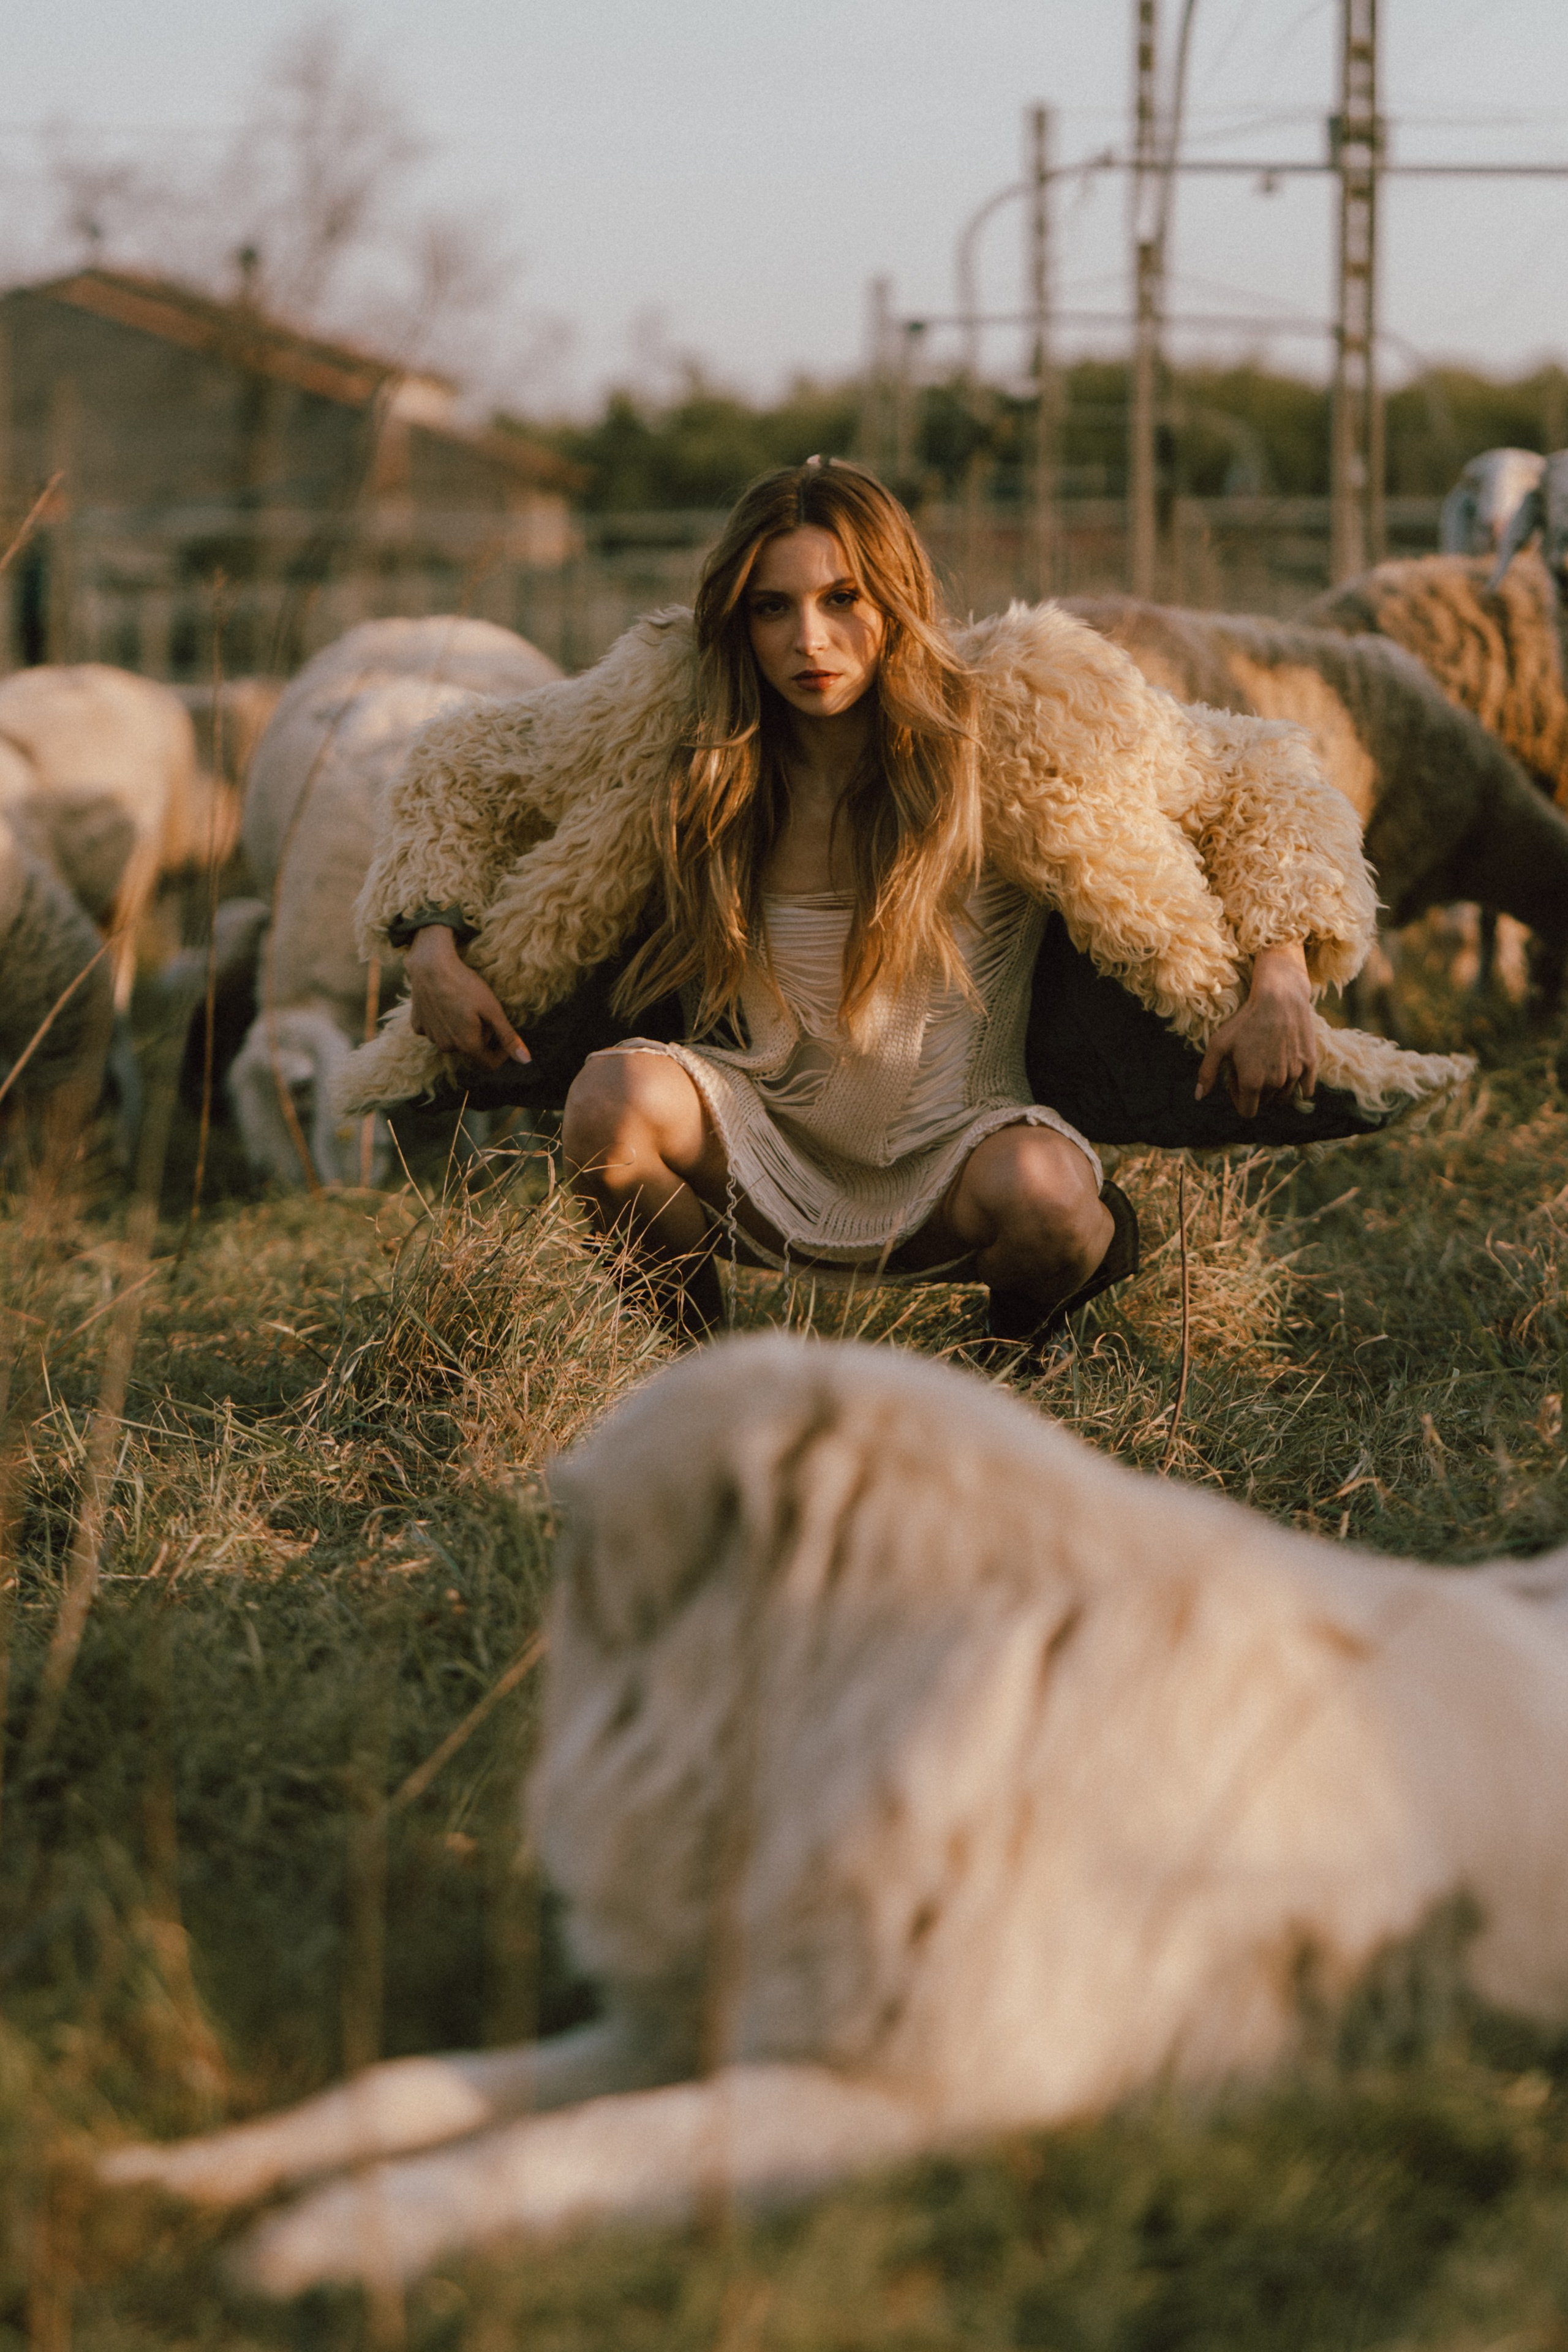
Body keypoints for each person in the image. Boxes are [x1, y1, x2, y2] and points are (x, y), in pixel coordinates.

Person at [342, 461, 1463, 1345]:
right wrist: (430, 947)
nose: (810, 641)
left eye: (843, 601)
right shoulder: (678, 723)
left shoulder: (1024, 714)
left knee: (1050, 1201)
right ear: (738, 621)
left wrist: (1278, 980)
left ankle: (1015, 1357)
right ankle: (697, 1366)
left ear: (898, 597)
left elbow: (1263, 775)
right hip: (754, 1118)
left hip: (961, 1134)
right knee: (608, 1100)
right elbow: (465, 760)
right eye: (773, 609)